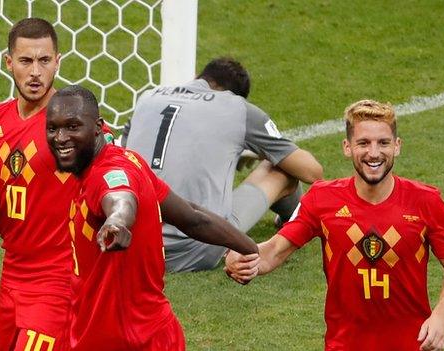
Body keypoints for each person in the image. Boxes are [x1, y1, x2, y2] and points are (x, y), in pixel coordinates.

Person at [225, 99, 444, 351]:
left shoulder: (426, 201)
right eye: (363, 143)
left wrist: (441, 317)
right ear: (347, 147)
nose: (373, 153)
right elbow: (273, 251)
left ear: (397, 146)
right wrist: (243, 256)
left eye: (383, 143)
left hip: (412, 345)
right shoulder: (321, 199)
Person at [0, 18, 115, 351]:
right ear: (9, 63)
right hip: (12, 275)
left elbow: (114, 170)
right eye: (26, 61)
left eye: (44, 60)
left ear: (57, 62)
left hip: (60, 277)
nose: (35, 72)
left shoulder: (72, 125)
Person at [45, 85, 259, 350]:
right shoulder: (128, 160)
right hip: (116, 332)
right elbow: (192, 217)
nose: (60, 138)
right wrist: (250, 247)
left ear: (98, 127)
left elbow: (120, 199)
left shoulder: (107, 174)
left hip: (129, 340)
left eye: (73, 127)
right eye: (52, 128)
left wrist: (117, 222)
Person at [122, 57, 323, 272]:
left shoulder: (148, 97)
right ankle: (291, 223)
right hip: (192, 248)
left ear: (198, 77)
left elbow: (124, 156)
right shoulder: (238, 108)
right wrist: (259, 153)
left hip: (131, 242)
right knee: (282, 170)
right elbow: (312, 172)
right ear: (235, 95)